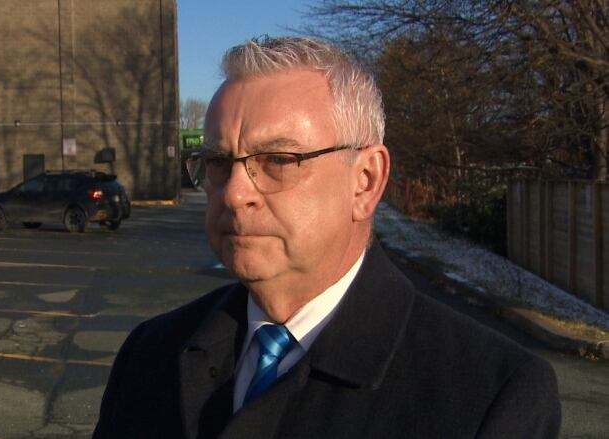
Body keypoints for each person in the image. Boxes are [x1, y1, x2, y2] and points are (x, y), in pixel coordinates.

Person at [93, 36, 561, 438]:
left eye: (278, 159)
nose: (235, 194)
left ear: (365, 181)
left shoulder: (492, 392)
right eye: (219, 162)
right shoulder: (151, 353)